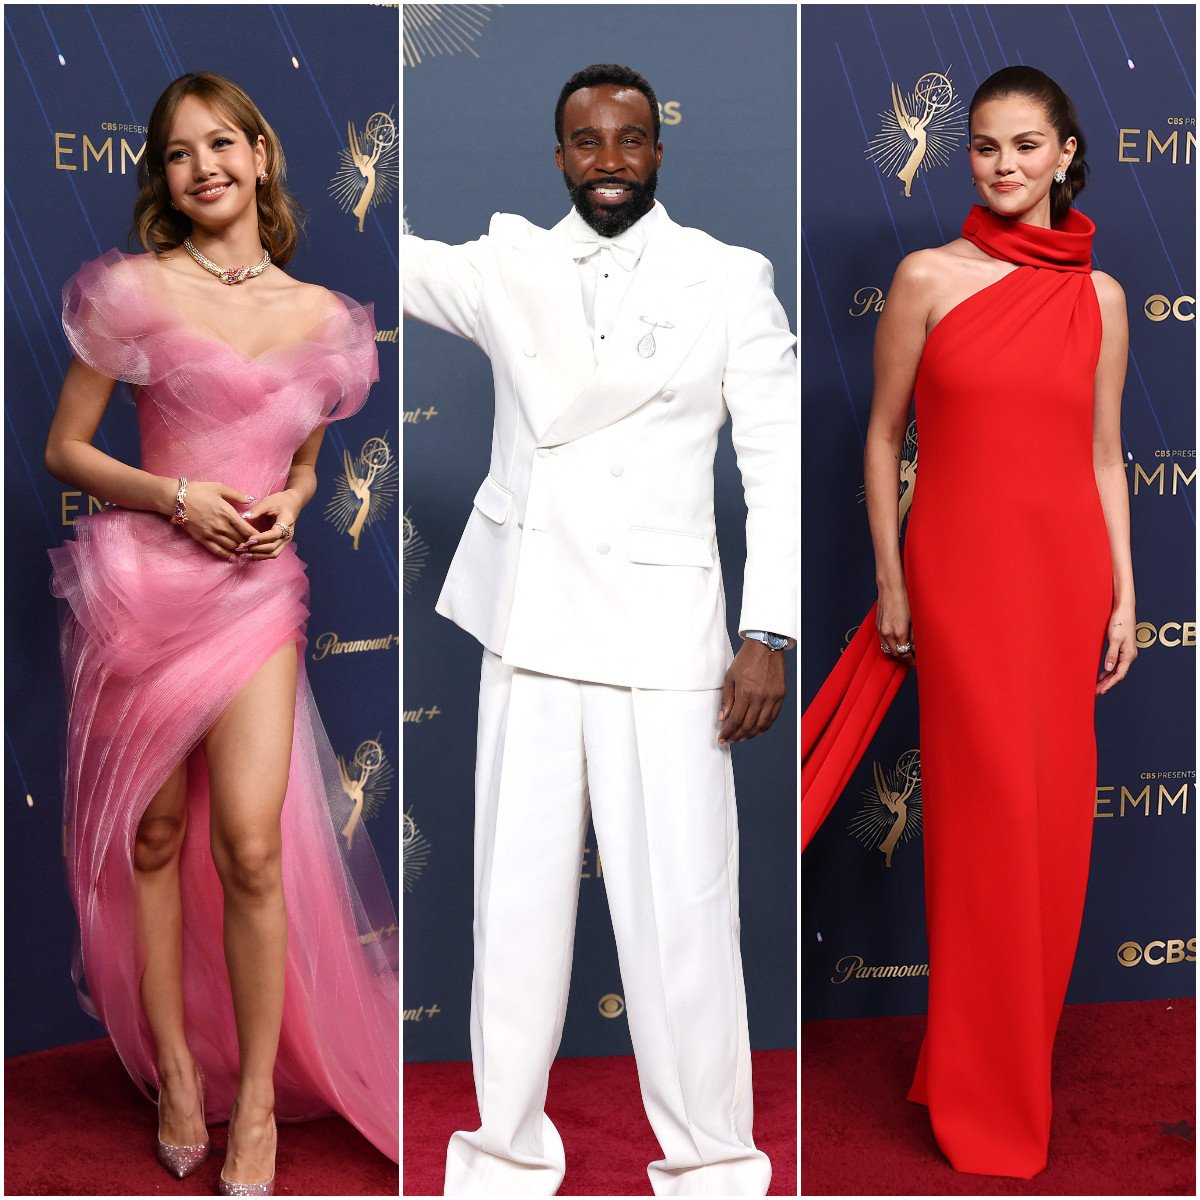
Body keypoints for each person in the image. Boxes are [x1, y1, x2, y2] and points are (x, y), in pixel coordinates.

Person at [404, 62, 796, 1197]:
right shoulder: (508, 266)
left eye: (630, 138)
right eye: (587, 140)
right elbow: (384, 261)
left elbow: (773, 470)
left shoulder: (729, 279)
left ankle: (716, 1164)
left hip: (670, 642)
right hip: (530, 633)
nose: (609, 158)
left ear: (661, 149)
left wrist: (766, 629)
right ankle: (502, 1160)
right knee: (514, 914)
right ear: (560, 154)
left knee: (684, 919)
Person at [43, 72, 399, 1194]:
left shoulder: (327, 317)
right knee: (151, 840)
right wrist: (173, 498)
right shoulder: (133, 292)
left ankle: (255, 1107)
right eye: (180, 152)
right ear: (165, 175)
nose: (204, 166)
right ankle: (181, 1078)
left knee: (250, 849)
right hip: (143, 586)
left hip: (255, 596)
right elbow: (67, 449)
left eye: (222, 144)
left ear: (259, 153)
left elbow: (302, 450)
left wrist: (296, 500)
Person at [802, 65, 1135, 1178]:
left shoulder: (1100, 297)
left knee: (1051, 838)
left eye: (1027, 145)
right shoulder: (928, 278)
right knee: (986, 833)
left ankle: (995, 1060)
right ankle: (980, 1101)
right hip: (961, 579)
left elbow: (1103, 456)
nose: (1004, 165)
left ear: (1066, 155)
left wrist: (1128, 592)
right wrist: (893, 582)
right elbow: (883, 438)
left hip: (1067, 579)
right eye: (986, 146)